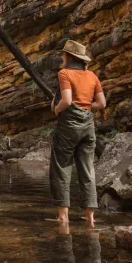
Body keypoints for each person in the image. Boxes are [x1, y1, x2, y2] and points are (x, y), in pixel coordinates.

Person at [50, 40, 106, 227]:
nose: (62, 57)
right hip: (88, 126)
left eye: (64, 55)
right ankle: (89, 217)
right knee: (87, 169)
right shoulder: (92, 76)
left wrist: (57, 110)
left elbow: (66, 100)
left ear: (70, 57)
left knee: (61, 168)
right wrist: (86, 106)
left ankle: (63, 217)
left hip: (68, 126)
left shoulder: (65, 73)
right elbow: (102, 103)